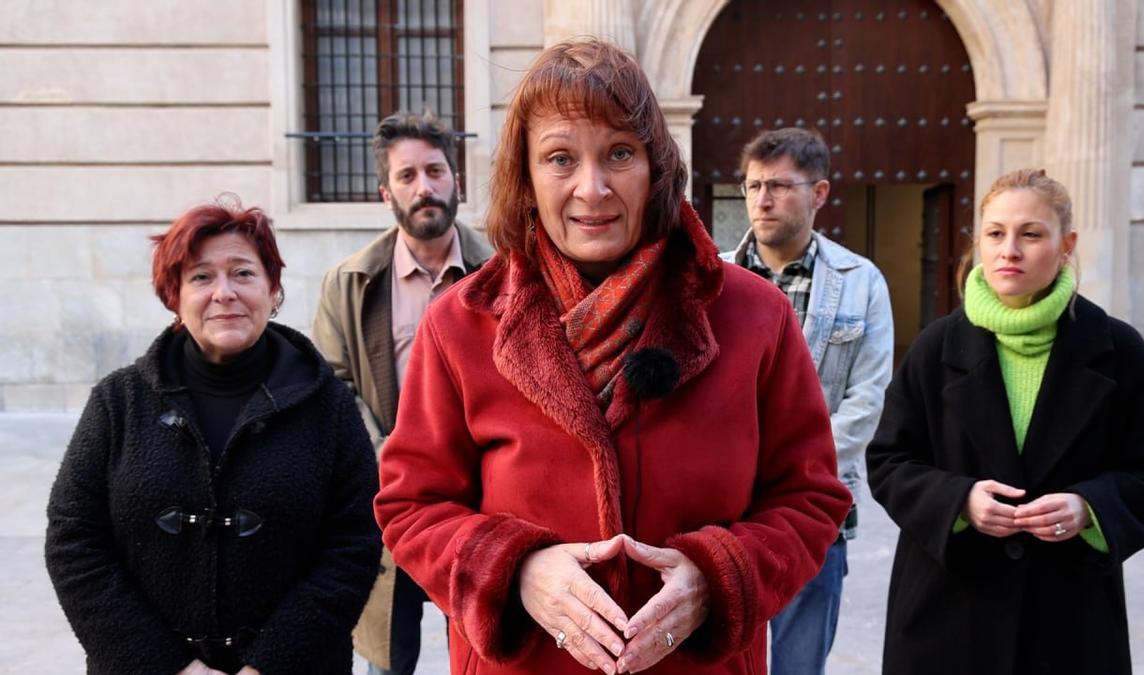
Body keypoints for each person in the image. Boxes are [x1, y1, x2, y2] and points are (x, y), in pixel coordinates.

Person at [373, 38, 852, 675]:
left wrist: (719, 579)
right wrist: (514, 569)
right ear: (527, 174)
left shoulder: (754, 315)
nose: (592, 189)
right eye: (561, 158)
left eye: (619, 153)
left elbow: (811, 497)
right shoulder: (460, 325)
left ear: (655, 165)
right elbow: (410, 507)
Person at [866, 168, 1144, 675]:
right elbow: (889, 461)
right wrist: (959, 501)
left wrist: (1089, 507)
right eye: (995, 233)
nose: (1009, 250)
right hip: (947, 620)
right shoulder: (936, 347)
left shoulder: (1118, 349)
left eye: (1031, 234)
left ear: (1067, 245)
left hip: (1069, 624)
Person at [45, 198, 382, 675]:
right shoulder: (117, 402)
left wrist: (271, 663)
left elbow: (355, 543)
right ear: (174, 296)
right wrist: (168, 665)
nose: (224, 292)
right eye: (201, 277)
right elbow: (72, 539)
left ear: (273, 289)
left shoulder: (328, 406)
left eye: (243, 273)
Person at [312, 110, 493, 675]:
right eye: (408, 175)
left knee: (484, 652)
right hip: (390, 509)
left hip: (481, 507)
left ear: (456, 180)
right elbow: (331, 391)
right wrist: (391, 461)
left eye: (435, 171)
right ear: (385, 192)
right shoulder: (349, 281)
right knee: (388, 663)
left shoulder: (503, 272)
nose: (425, 187)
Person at [721, 127, 893, 675]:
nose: (762, 200)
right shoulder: (713, 279)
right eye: (752, 186)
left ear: (819, 194)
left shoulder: (860, 282)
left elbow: (866, 399)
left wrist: (794, 472)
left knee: (799, 667)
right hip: (725, 517)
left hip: (815, 516)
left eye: (779, 185)